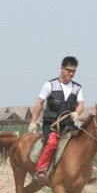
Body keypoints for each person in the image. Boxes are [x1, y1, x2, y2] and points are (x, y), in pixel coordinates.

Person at [27, 56, 84, 185]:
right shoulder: (50, 85)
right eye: (69, 70)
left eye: (74, 71)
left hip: (68, 125)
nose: (71, 73)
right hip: (51, 125)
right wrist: (33, 121)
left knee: (83, 141)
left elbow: (81, 104)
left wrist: (77, 113)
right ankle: (41, 169)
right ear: (61, 68)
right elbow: (39, 103)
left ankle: (84, 171)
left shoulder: (77, 88)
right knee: (52, 143)